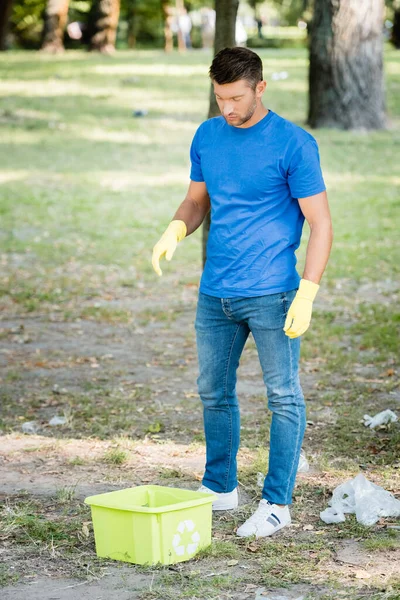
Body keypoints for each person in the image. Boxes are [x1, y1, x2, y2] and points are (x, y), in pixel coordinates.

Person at [152, 47, 333, 538]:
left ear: (260, 88)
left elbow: (320, 224)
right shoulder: (208, 135)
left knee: (283, 397)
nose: (227, 109)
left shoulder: (294, 144)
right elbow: (196, 200)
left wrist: (308, 292)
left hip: (274, 293)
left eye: (235, 98)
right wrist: (174, 229)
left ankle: (277, 503)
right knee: (213, 392)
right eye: (219, 98)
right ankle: (220, 488)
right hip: (217, 294)